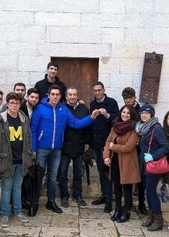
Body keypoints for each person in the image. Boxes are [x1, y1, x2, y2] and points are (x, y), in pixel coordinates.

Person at [31, 84, 99, 215]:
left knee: (52, 177)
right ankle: (34, 202)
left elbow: (76, 124)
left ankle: (51, 201)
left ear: (60, 96)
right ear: (48, 95)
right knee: (39, 176)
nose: (55, 96)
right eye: (53, 94)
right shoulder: (40, 108)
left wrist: (91, 117)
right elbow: (33, 129)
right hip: (42, 149)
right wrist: (34, 148)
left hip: (57, 149)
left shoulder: (63, 110)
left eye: (57, 94)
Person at [0, 92, 33, 228]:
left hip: (21, 160)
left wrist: (29, 155)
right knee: (7, 188)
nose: (14, 105)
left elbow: (29, 139)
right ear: (7, 104)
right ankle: (5, 214)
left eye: (17, 103)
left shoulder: (23, 118)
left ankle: (18, 211)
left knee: (17, 187)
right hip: (6, 161)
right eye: (12, 102)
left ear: (20, 104)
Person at [103, 105, 141, 223]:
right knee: (117, 187)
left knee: (127, 188)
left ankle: (126, 211)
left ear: (132, 115)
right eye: (123, 112)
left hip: (127, 163)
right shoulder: (115, 126)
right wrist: (106, 156)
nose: (125, 115)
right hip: (114, 162)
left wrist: (113, 147)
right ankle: (118, 209)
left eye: (128, 113)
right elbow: (108, 141)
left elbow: (128, 147)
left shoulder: (134, 128)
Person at [135, 104, 169, 231]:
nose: (143, 115)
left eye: (147, 113)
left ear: (152, 114)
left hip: (153, 165)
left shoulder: (156, 128)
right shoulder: (142, 127)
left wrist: (153, 156)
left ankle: (159, 220)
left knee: (151, 192)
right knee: (148, 192)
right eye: (142, 113)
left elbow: (165, 147)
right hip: (144, 165)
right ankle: (151, 217)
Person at [58, 87, 90, 207]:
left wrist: (87, 141)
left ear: (77, 96)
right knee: (62, 173)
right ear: (66, 97)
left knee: (78, 173)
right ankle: (64, 196)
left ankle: (78, 195)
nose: (72, 97)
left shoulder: (84, 109)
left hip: (79, 145)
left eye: (74, 94)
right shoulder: (62, 109)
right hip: (65, 145)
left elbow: (88, 126)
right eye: (70, 95)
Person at [90, 81, 119, 213]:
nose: (97, 92)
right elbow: (92, 122)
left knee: (108, 172)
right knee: (101, 170)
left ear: (103, 90)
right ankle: (104, 195)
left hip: (108, 143)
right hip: (97, 143)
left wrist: (107, 114)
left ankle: (109, 200)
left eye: (99, 90)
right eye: (95, 90)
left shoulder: (112, 102)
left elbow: (117, 120)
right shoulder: (92, 103)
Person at [121, 87, 148, 215]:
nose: (128, 100)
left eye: (130, 98)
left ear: (134, 97)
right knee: (128, 175)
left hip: (140, 148)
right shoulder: (124, 111)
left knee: (141, 178)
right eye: (125, 98)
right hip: (128, 147)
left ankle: (142, 203)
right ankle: (129, 203)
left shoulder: (141, 110)